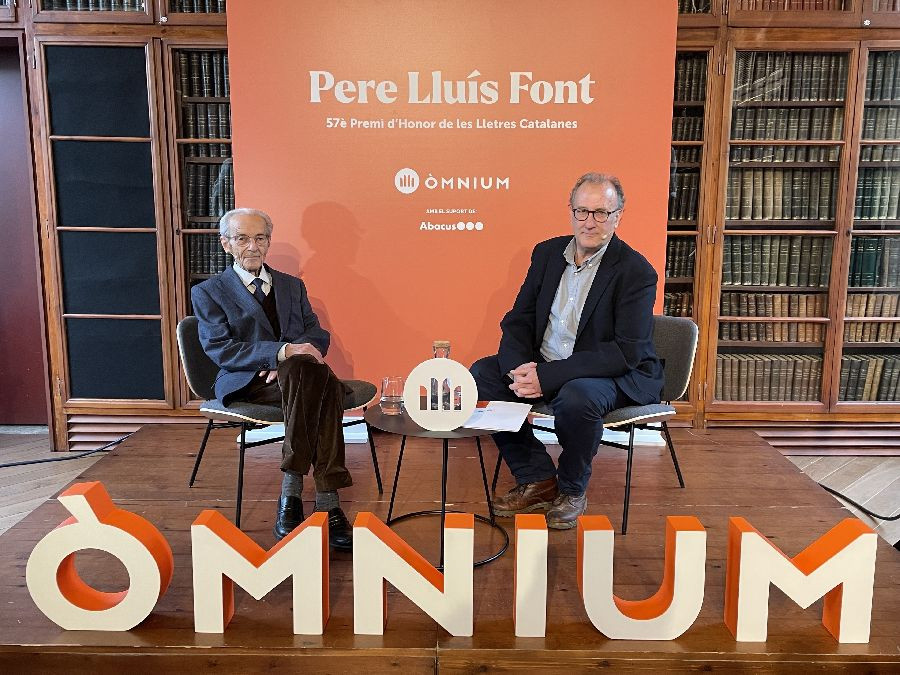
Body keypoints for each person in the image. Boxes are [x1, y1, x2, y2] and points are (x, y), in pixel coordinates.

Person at [470, 173, 663, 529]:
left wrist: (546, 377)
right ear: (571, 211)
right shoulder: (547, 254)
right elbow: (519, 319)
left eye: (601, 213)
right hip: (547, 363)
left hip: (611, 373)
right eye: (582, 211)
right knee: (482, 375)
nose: (590, 222)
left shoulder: (636, 271)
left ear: (618, 216)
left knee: (577, 396)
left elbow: (625, 352)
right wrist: (518, 367)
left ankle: (572, 489)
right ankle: (538, 478)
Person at [191, 207, 353, 549]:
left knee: (302, 373)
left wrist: (289, 359)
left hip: (297, 378)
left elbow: (316, 334)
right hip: (247, 380)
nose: (253, 246)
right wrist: (280, 353)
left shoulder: (292, 286)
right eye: (242, 239)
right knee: (321, 386)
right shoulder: (208, 291)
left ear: (268, 241)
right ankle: (328, 501)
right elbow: (220, 348)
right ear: (226, 244)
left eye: (260, 238)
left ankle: (291, 492)